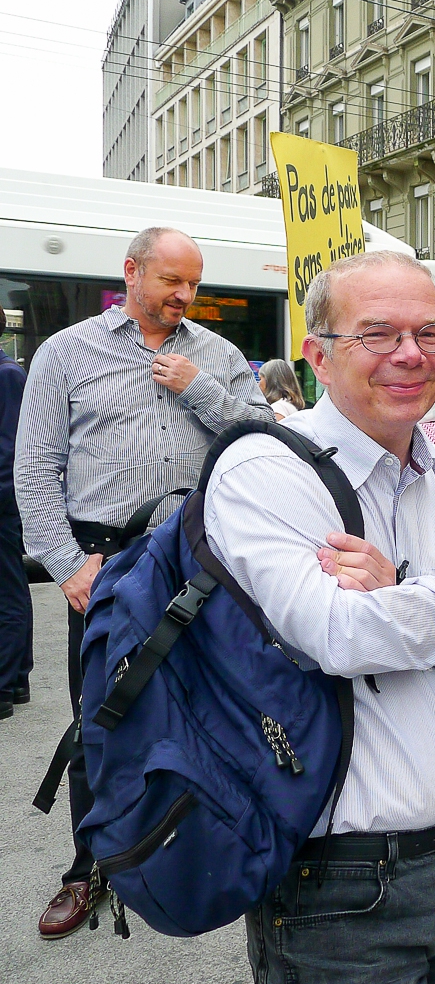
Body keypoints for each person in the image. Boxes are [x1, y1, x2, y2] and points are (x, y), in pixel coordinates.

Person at [205, 250, 435, 983]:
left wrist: (400, 593)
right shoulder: (264, 472)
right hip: (337, 889)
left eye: (429, 333)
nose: (410, 355)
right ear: (318, 355)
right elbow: (342, 637)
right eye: (378, 334)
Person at [15, 226, 274, 939]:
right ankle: (89, 867)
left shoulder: (215, 356)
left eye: (193, 284)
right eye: (171, 282)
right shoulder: (67, 352)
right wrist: (68, 566)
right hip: (108, 560)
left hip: (200, 555)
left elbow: (262, 438)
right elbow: (35, 468)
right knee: (102, 717)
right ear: (130, 273)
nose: (184, 297)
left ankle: (228, 848)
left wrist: (203, 393)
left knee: (220, 708)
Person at [0, 309, 32, 721]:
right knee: (9, 585)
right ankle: (17, 675)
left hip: (3, 500)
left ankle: (5, 683)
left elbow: (11, 448)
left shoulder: (8, 375)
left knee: (7, 591)